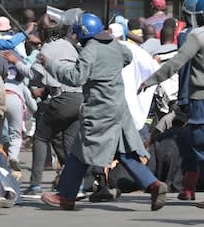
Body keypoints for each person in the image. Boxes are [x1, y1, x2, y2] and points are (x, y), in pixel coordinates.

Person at [39, 12, 167, 211]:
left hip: (99, 110)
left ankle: (65, 196)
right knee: (125, 154)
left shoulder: (90, 49)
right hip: (119, 109)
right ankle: (154, 184)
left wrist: (50, 64)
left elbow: (75, 78)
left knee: (79, 153)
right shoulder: (116, 45)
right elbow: (127, 57)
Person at [2, 13, 83, 195]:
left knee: (40, 137)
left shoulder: (48, 48)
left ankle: (35, 184)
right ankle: (77, 185)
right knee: (68, 144)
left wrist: (17, 62)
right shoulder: (73, 47)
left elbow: (34, 76)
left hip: (62, 98)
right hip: (79, 99)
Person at [138, 0, 204, 208]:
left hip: (199, 101)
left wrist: (150, 81)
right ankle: (188, 189)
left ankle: (189, 188)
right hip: (194, 99)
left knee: (198, 145)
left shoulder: (196, 36)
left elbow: (176, 63)